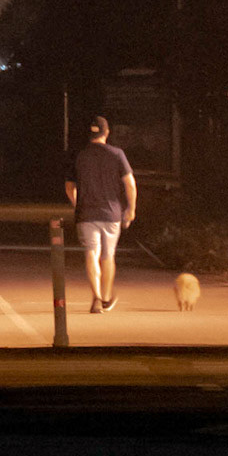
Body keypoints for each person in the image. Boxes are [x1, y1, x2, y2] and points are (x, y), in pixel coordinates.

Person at [64, 115, 136, 314]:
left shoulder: (80, 156)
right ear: (107, 132)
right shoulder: (117, 154)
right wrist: (131, 209)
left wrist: (77, 204)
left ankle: (95, 297)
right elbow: (130, 183)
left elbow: (69, 186)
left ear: (89, 134)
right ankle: (105, 297)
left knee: (91, 254)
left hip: (86, 214)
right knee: (108, 256)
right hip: (112, 214)